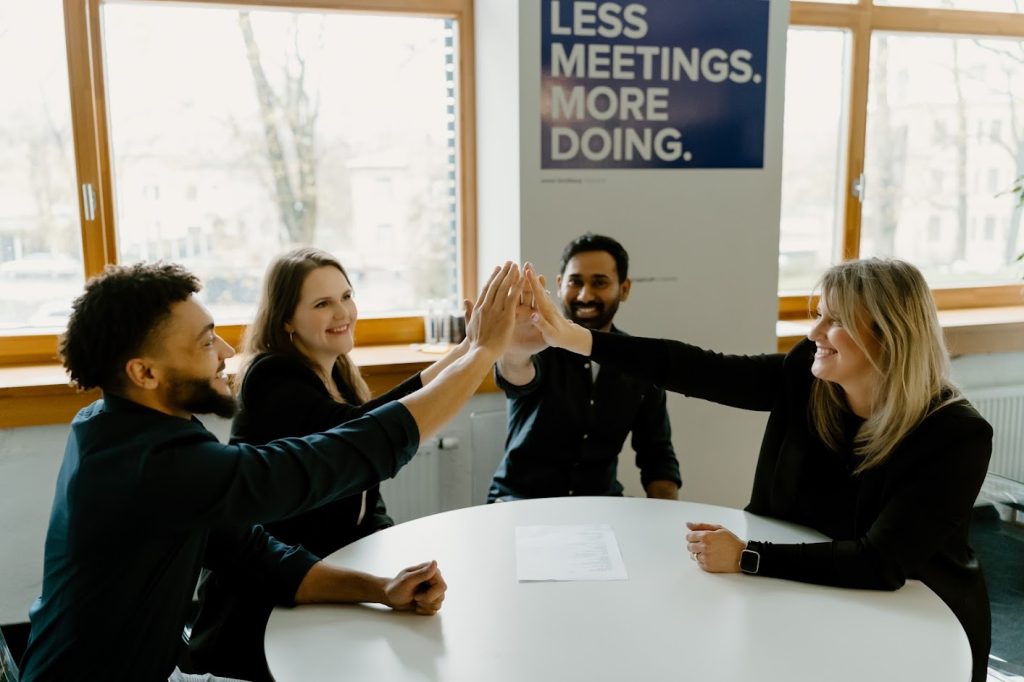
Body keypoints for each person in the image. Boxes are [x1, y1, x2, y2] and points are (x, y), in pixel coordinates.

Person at [19, 260, 523, 682]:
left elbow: (251, 552)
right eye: (204, 342)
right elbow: (334, 457)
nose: (226, 353)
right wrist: (482, 353)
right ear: (144, 373)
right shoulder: (151, 465)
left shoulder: (127, 430)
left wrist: (380, 589)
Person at [524, 258, 993, 682]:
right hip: (805, 595)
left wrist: (749, 556)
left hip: (914, 619)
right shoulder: (805, 379)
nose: (814, 333)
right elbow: (696, 368)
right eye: (818, 314)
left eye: (835, 321)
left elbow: (882, 563)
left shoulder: (954, 433)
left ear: (888, 335)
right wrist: (573, 338)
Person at [188, 248, 479, 680]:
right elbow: (363, 438)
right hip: (269, 599)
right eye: (322, 303)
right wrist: (475, 354)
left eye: (346, 296)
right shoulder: (272, 377)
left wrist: (469, 349)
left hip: (332, 580)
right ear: (286, 319)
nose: (342, 311)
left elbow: (366, 475)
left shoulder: (337, 373)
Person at [488, 233, 681, 502]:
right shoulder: (536, 343)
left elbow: (657, 456)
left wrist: (668, 524)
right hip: (522, 502)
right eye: (575, 282)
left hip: (601, 504)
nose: (584, 295)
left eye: (599, 283)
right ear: (559, 284)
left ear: (624, 289)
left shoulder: (638, 361)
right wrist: (512, 351)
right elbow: (517, 376)